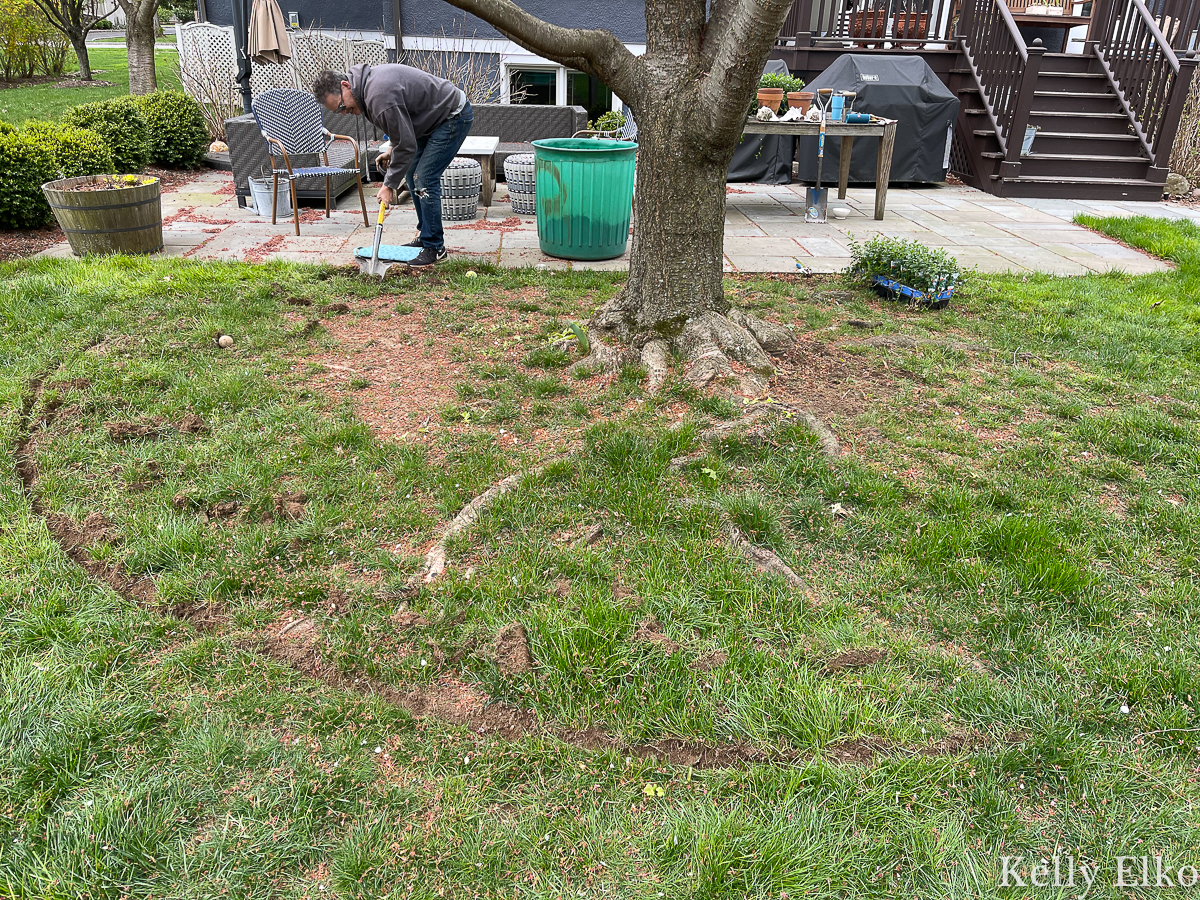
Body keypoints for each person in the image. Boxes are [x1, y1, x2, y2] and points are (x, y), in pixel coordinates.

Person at [312, 65, 472, 267]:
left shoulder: (378, 96)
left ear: (345, 85)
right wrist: (392, 150)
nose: (344, 113)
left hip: (451, 115)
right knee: (413, 173)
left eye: (342, 107)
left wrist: (388, 186)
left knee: (424, 178)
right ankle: (426, 237)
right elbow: (401, 132)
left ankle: (435, 247)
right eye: (338, 112)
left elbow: (406, 145)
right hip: (428, 120)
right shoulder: (364, 90)